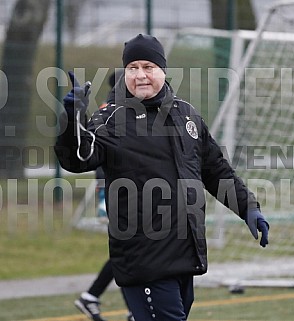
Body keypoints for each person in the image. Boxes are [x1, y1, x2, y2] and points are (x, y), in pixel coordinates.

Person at [55, 34, 269, 321]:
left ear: (162, 70)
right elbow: (77, 159)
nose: (140, 75)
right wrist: (72, 119)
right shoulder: (112, 120)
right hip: (145, 263)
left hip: (186, 258)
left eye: (148, 66)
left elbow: (216, 170)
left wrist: (248, 208)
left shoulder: (186, 115)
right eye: (133, 68)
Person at [74, 72, 134, 321]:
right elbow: (98, 155)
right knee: (128, 249)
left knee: (129, 249)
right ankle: (123, 306)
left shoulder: (124, 111)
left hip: (121, 192)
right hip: (115, 192)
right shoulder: (111, 113)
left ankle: (93, 297)